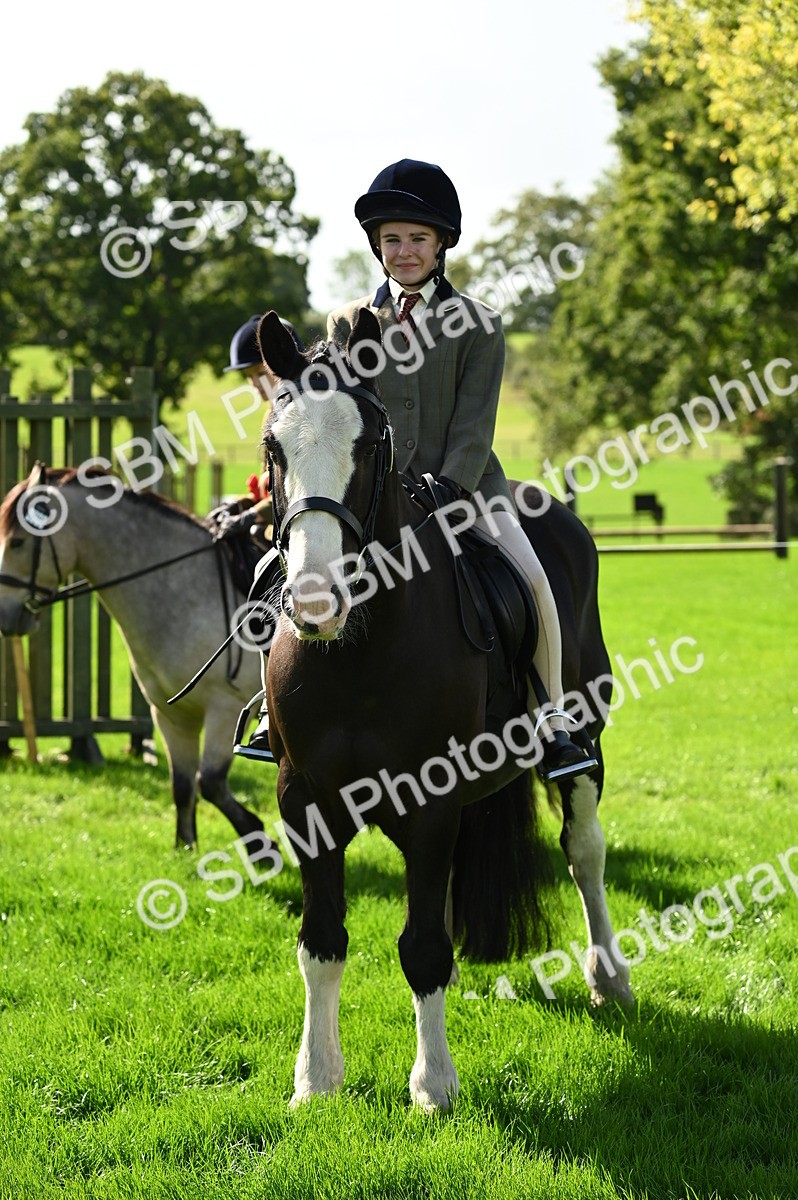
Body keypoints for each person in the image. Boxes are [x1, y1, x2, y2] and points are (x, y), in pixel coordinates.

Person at [325, 159, 596, 782]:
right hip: (372, 495)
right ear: (376, 245)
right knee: (290, 570)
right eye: (392, 239)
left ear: (442, 242)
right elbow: (341, 414)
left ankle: (554, 720)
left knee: (535, 582)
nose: (405, 251)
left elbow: (475, 424)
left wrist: (450, 486)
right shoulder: (346, 323)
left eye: (418, 238)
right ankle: (271, 710)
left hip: (468, 490)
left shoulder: (479, 324)